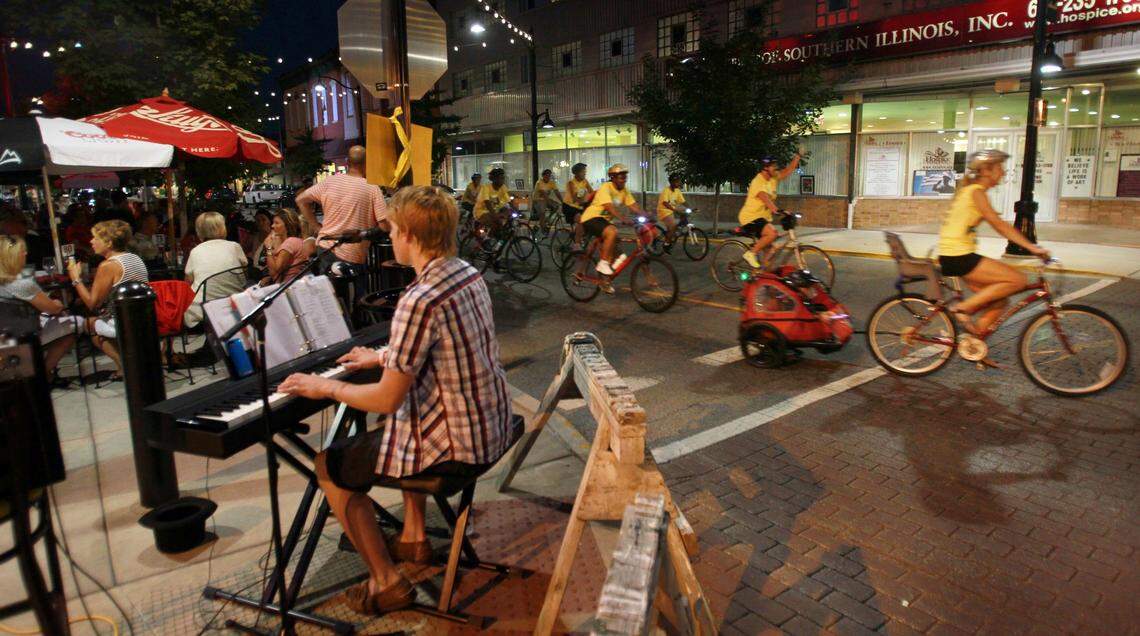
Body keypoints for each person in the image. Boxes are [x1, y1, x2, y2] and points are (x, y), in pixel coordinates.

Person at [279, 185, 513, 616]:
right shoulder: (466, 274)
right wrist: (382, 355)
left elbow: (386, 398)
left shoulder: (418, 299)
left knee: (328, 466)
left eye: (392, 229)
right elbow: (444, 345)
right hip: (492, 424)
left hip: (460, 447)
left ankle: (386, 582)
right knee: (404, 418)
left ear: (408, 234)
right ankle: (413, 536)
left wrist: (325, 387)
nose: (389, 237)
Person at [938, 149, 1049, 337]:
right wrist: (1032, 247)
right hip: (958, 256)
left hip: (954, 255)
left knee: (999, 301)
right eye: (1000, 168)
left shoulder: (972, 192)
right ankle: (961, 309)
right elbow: (999, 225)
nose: (1004, 173)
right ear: (986, 170)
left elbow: (995, 222)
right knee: (1018, 280)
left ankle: (974, 344)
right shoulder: (976, 192)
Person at [66, 220, 148, 379]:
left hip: (124, 321)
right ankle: (130, 363)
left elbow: (92, 303)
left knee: (88, 323)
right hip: (142, 317)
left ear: (109, 242)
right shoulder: (134, 258)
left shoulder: (108, 265)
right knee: (99, 322)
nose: (91, 241)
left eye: (95, 238)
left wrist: (76, 279)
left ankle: (125, 367)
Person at [0, 235, 80, 379]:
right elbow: (53, 309)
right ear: (11, 257)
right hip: (25, 337)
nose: (25, 254)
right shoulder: (22, 283)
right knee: (74, 323)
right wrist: (58, 303)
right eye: (21, 251)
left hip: (4, 338)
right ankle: (43, 375)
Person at [295, 145, 388, 267]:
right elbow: (385, 226)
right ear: (367, 163)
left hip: (325, 247)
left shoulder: (329, 182)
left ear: (347, 162)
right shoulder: (372, 189)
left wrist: (316, 227)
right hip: (351, 254)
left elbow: (300, 200)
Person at [580, 164, 644, 288]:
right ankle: (602, 264)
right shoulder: (606, 187)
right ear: (613, 177)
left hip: (604, 222)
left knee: (620, 256)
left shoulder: (624, 190)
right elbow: (609, 206)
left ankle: (605, 280)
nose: (624, 179)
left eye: (625, 177)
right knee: (612, 231)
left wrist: (648, 216)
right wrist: (623, 218)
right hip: (591, 218)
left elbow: (633, 206)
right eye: (621, 177)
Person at [183, 212, 248, 328]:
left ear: (200, 231)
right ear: (222, 228)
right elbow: (244, 276)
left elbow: (187, 283)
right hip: (234, 306)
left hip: (202, 311)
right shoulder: (234, 247)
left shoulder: (196, 251)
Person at [739, 150, 802, 269]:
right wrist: (778, 210)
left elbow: (787, 171)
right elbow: (765, 198)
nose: (776, 168)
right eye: (773, 166)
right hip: (750, 218)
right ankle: (750, 253)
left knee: (770, 254)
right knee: (772, 233)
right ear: (765, 168)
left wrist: (797, 157)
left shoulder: (772, 178)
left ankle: (761, 276)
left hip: (762, 219)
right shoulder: (758, 181)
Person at [264, 208, 310, 283]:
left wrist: (268, 248)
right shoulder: (297, 240)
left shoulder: (290, 242)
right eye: (273, 222)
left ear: (287, 225)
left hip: (288, 286)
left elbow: (275, 272)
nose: (272, 226)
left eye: (277, 223)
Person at [473, 168, 514, 235]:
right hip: (481, 212)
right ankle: (488, 239)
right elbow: (487, 202)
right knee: (497, 223)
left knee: (507, 212)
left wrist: (516, 210)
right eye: (500, 178)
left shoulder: (502, 187)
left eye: (503, 178)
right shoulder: (486, 188)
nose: (502, 181)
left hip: (494, 210)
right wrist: (495, 216)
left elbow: (508, 201)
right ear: (494, 179)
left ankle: (497, 235)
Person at [563, 163, 594, 246]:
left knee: (591, 219)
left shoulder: (585, 181)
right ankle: (577, 244)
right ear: (576, 173)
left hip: (580, 206)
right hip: (569, 207)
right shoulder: (571, 183)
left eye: (585, 171)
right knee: (581, 220)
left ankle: (578, 233)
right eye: (583, 171)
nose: (585, 173)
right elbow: (574, 198)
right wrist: (585, 202)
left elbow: (592, 192)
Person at [656, 174, 687, 243]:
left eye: (678, 181)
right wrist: (675, 210)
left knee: (684, 211)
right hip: (663, 211)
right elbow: (665, 203)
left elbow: (683, 202)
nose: (678, 183)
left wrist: (691, 208)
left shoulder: (677, 191)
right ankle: (666, 243)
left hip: (671, 211)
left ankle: (675, 231)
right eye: (676, 182)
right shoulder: (666, 191)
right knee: (672, 226)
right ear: (671, 182)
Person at [246, 209, 273, 277]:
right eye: (258, 221)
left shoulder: (274, 237)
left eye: (263, 220)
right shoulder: (254, 237)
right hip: (255, 268)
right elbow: (245, 249)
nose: (261, 223)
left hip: (268, 269)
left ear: (270, 221)